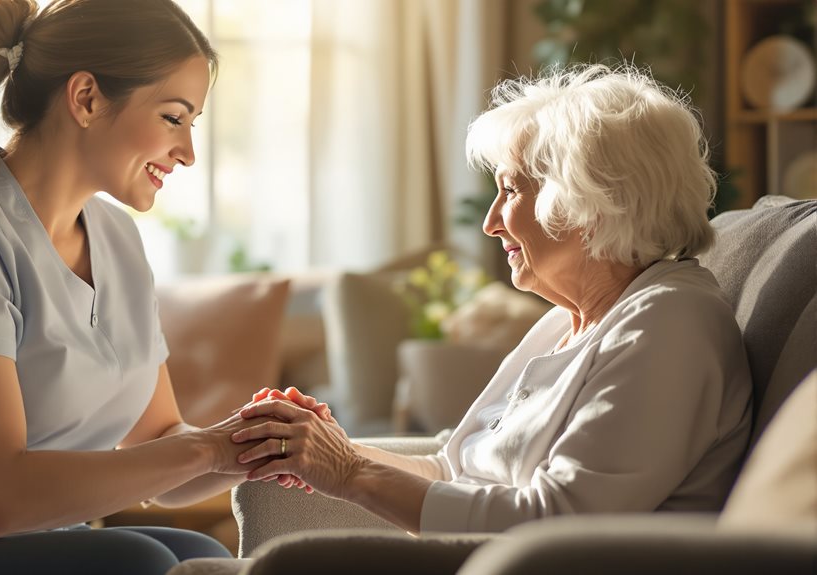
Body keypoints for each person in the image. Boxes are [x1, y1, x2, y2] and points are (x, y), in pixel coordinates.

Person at [0, 1, 325, 573]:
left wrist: (256, 442)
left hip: (9, 550)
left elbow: (160, 441)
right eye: (174, 118)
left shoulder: (116, 238)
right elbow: (4, 498)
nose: (189, 153)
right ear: (87, 97)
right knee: (135, 561)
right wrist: (207, 447)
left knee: (200, 556)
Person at [231, 64, 754, 534]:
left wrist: (348, 473)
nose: (490, 222)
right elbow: (451, 470)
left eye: (510, 191)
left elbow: (557, 525)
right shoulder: (564, 323)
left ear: (587, 201)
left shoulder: (670, 327)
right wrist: (322, 447)